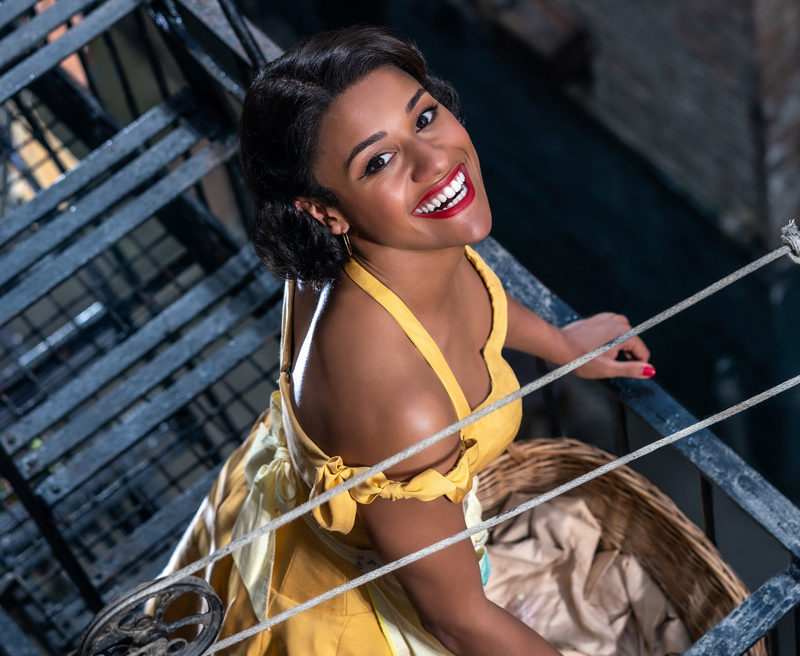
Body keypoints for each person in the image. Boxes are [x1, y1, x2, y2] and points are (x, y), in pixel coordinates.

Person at [162, 25, 654, 656]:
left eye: (423, 116)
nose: (436, 161)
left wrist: (559, 342)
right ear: (324, 211)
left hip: (272, 501)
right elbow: (458, 620)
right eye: (379, 161)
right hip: (355, 615)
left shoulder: (360, 256)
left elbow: (471, 297)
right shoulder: (401, 405)